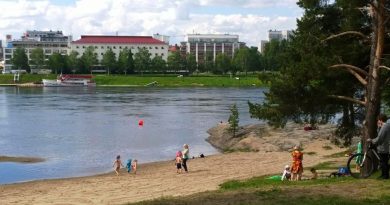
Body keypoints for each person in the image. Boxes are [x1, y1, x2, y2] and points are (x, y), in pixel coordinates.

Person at [368, 113, 390, 179]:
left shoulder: (385, 126)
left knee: (383, 162)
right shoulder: (385, 126)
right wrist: (378, 127)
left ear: (381, 120)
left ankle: (385, 176)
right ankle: (383, 175)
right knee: (383, 161)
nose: (377, 121)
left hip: (384, 147)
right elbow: (380, 135)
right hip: (384, 146)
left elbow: (379, 138)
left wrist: (371, 140)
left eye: (378, 120)